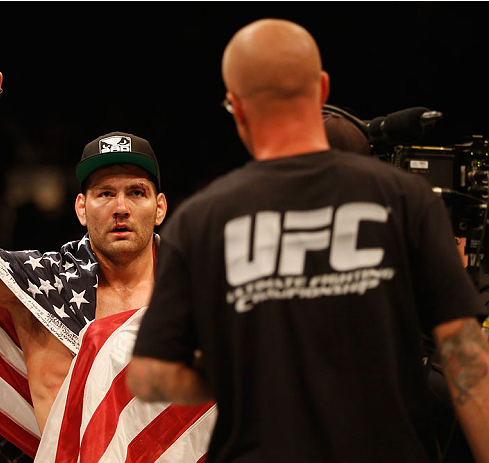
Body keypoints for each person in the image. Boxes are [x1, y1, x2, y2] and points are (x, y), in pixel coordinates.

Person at [127, 18, 489, 463]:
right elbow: (467, 358)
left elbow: (149, 377)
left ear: (236, 106)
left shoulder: (201, 220)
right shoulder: (404, 198)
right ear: (321, 89)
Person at [0, 71, 216, 460]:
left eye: (136, 192)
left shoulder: (203, 290)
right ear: (81, 208)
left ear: (160, 207)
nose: (120, 207)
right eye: (104, 193)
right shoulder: (43, 283)